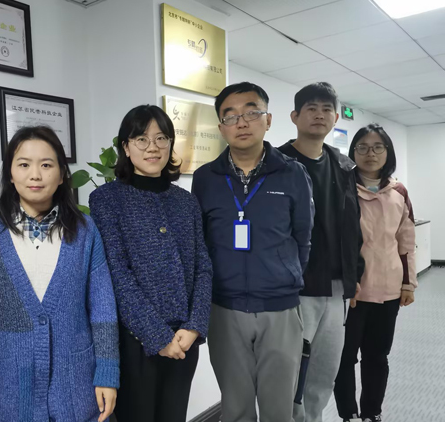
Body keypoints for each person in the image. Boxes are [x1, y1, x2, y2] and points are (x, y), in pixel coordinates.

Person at [0, 126, 119, 422]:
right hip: (6, 391)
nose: (35, 175)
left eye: (46, 165)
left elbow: (103, 309)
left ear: (61, 175)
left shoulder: (85, 231)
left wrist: (107, 373)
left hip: (74, 388)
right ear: (10, 174)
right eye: (24, 165)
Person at [192, 82, 314, 422]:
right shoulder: (205, 178)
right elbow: (201, 242)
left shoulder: (293, 173)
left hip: (280, 308)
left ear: (268, 120)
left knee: (279, 410)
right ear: (221, 128)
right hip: (224, 308)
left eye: (251, 112)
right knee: (235, 408)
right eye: (230, 116)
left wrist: (283, 276)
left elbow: (303, 238)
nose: (241, 122)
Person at [89, 105, 212, 422]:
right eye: (141, 139)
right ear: (126, 147)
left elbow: (203, 266)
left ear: (170, 144)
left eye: (161, 138)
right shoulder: (107, 200)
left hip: (184, 338)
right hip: (135, 340)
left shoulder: (186, 201)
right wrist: (158, 336)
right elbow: (117, 274)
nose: (152, 147)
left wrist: (194, 325)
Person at [279, 82, 365, 422]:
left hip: (335, 289)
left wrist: (354, 274)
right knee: (288, 371)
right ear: (294, 116)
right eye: (311, 108)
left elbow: (353, 225)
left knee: (324, 372)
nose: (320, 115)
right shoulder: (276, 163)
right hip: (294, 287)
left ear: (335, 118)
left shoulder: (343, 166)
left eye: (327, 109)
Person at [334, 124, 417, 422]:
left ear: (387, 152)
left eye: (378, 147)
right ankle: (348, 414)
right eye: (363, 147)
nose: (370, 153)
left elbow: (406, 240)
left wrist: (408, 283)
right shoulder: (341, 188)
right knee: (344, 358)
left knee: (377, 356)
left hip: (388, 289)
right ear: (353, 151)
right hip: (351, 292)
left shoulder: (399, 191)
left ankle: (372, 413)